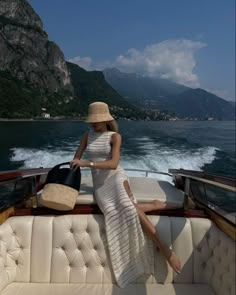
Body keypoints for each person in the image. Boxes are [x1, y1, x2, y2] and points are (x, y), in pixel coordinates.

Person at [70, 101, 181, 287]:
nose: (94, 123)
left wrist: (87, 164)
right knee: (117, 211)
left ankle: (164, 248)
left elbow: (113, 164)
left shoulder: (115, 136)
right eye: (92, 120)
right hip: (99, 184)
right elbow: (76, 158)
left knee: (128, 209)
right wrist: (74, 163)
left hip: (116, 177)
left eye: (98, 120)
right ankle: (154, 205)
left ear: (106, 118)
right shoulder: (86, 136)